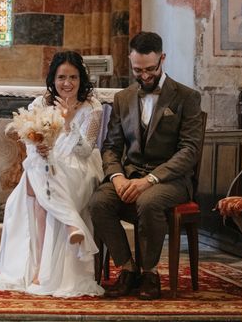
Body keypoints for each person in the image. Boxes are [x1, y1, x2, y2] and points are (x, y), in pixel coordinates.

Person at [0, 51, 105, 297]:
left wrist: (68, 122)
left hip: (80, 167)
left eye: (73, 77)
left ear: (82, 79)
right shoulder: (40, 103)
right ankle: (43, 261)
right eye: (62, 77)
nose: (67, 83)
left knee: (37, 179)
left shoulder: (92, 107)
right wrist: (41, 148)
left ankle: (50, 254)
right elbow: (29, 142)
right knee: (37, 171)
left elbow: (86, 150)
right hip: (47, 164)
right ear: (53, 79)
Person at [89, 32, 202, 300]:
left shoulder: (186, 97)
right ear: (130, 61)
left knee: (149, 202)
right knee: (98, 202)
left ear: (162, 59)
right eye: (138, 70)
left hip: (170, 180)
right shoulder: (123, 98)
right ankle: (128, 269)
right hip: (129, 175)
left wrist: (150, 179)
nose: (145, 76)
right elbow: (111, 147)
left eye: (151, 69)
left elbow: (189, 150)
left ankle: (150, 273)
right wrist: (117, 177)